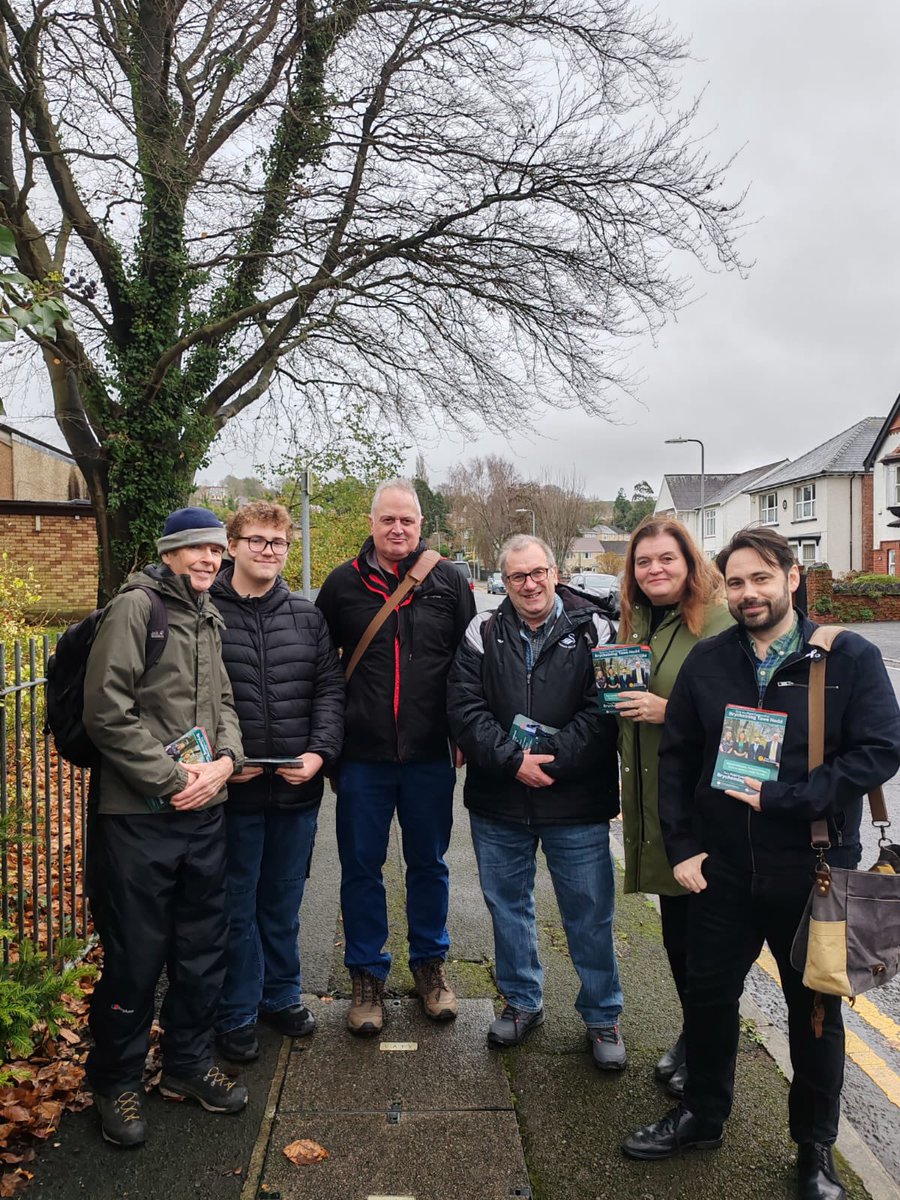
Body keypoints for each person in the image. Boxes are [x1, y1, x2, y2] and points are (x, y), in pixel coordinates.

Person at [622, 526, 900, 1200]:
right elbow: (680, 757)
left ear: (792, 578)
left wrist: (785, 796)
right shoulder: (710, 660)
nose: (749, 594)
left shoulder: (848, 657)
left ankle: (814, 1151)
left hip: (814, 869)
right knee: (710, 1001)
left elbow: (878, 751)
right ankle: (702, 1116)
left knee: (814, 1016)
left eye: (761, 579)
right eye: (737, 582)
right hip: (722, 871)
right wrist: (683, 847)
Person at [83, 507, 247, 1148]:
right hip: (140, 817)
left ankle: (185, 1064)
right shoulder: (137, 609)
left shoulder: (209, 614)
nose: (210, 560)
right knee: (135, 954)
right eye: (198, 550)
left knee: (202, 948)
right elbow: (106, 711)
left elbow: (226, 703)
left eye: (216, 551)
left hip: (204, 812)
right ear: (172, 553)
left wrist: (226, 763)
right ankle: (116, 1082)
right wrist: (175, 779)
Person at [447, 534, 626, 1068]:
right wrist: (510, 761)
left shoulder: (596, 628)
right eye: (517, 576)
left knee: (590, 913)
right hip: (499, 799)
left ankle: (602, 1017)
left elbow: (604, 711)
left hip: (576, 799)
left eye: (538, 573)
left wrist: (544, 758)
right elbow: (463, 706)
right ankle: (523, 1002)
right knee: (508, 908)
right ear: (503, 581)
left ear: (555, 572)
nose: (529, 584)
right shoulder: (483, 630)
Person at [316, 479, 476, 1035]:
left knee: (429, 865)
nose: (398, 529)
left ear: (419, 522)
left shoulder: (450, 583)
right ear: (372, 523)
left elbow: (469, 667)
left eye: (407, 520)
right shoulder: (341, 585)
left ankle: (430, 968)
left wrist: (463, 737)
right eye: (388, 520)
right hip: (363, 757)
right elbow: (322, 669)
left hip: (430, 755)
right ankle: (366, 975)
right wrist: (329, 744)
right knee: (361, 868)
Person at [210, 502, 344, 1063]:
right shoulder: (205, 613)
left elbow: (329, 693)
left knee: (283, 901)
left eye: (279, 542)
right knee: (236, 903)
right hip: (233, 791)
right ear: (233, 545)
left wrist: (319, 755)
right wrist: (221, 759)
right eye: (258, 540)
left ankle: (282, 995)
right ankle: (238, 1010)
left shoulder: (306, 616)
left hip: (295, 789)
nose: (269, 550)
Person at [615, 516, 732, 1097]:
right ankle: (695, 1036)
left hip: (707, 816)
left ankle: (708, 1059)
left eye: (666, 558)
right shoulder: (648, 622)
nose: (655, 569)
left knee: (707, 949)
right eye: (644, 561)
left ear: (690, 562)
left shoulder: (721, 622)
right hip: (660, 812)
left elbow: (756, 720)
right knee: (679, 941)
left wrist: (672, 712)